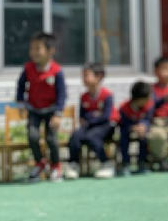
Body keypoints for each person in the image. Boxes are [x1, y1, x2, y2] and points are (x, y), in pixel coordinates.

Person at [16, 31, 66, 182]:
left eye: (38, 48)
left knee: (51, 139)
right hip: (34, 110)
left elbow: (62, 94)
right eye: (31, 49)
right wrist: (21, 103)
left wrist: (58, 114)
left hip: (51, 110)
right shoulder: (28, 68)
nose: (33, 52)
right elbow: (20, 86)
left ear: (50, 51)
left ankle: (56, 166)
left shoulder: (56, 71)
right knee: (32, 136)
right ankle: (40, 163)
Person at [64, 62, 117, 180]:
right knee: (75, 136)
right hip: (89, 126)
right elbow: (82, 116)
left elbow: (105, 116)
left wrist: (91, 118)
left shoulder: (107, 95)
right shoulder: (84, 97)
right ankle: (73, 165)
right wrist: (93, 116)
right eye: (83, 76)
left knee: (92, 137)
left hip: (106, 127)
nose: (84, 79)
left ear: (98, 77)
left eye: (86, 75)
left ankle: (106, 164)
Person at [117, 80, 154, 176]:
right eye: (145, 98)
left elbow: (148, 119)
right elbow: (122, 123)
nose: (148, 100)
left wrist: (143, 126)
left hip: (142, 130)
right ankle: (126, 164)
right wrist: (132, 127)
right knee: (123, 138)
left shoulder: (149, 105)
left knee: (144, 138)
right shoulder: (124, 108)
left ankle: (142, 163)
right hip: (128, 129)